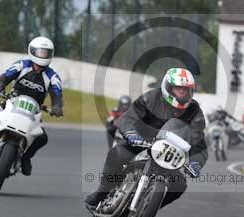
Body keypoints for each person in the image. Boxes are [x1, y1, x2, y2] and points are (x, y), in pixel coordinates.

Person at [85, 67, 207, 209]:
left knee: (179, 185)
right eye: (179, 89)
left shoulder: (194, 110)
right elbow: (128, 118)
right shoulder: (151, 98)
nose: (183, 93)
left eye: (187, 90)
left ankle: (146, 210)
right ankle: (102, 191)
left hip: (168, 152)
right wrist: (131, 134)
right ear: (168, 87)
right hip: (141, 141)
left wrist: (196, 163)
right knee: (117, 153)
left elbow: (199, 140)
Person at [0, 36, 63, 175]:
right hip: (11, 102)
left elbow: (57, 93)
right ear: (32, 51)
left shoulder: (53, 76)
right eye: (40, 52)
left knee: (42, 137)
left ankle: (26, 159)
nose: (42, 56)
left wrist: (57, 106)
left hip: (34, 111)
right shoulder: (22, 64)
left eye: (45, 53)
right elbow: (6, 76)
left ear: (50, 54)